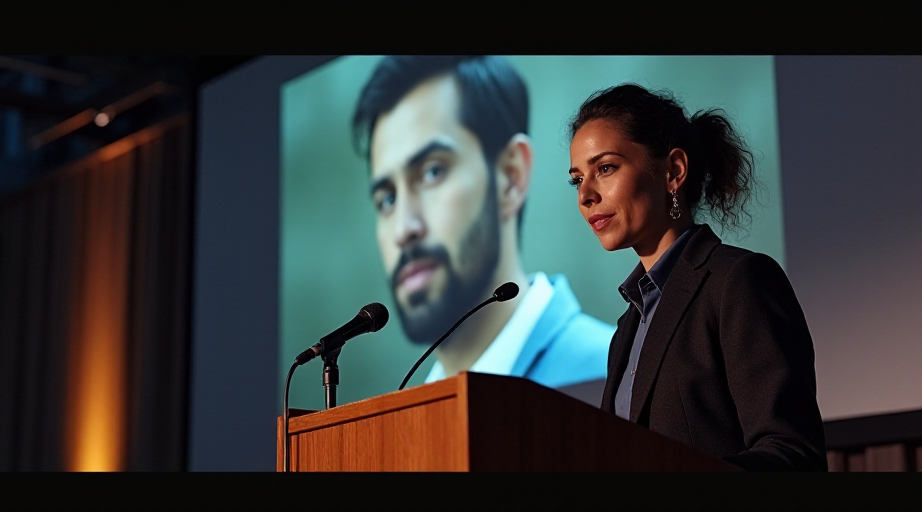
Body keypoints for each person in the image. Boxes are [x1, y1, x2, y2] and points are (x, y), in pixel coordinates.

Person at [566, 83, 827, 471]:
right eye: (576, 179)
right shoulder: (626, 328)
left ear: (673, 171)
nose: (586, 194)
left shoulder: (737, 282)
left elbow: (793, 454)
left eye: (605, 168)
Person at [350, 55, 615, 395]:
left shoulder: (614, 378)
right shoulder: (404, 423)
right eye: (387, 199)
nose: (403, 228)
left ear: (511, 176)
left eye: (432, 172)